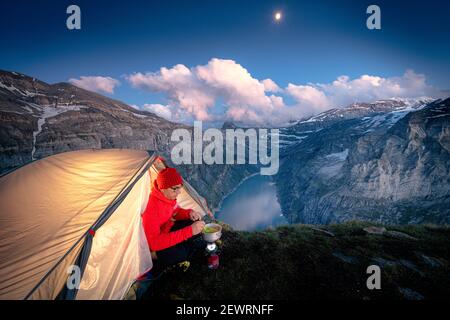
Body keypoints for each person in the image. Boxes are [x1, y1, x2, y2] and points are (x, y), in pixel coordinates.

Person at [142, 167, 206, 276]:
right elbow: (154, 243)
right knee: (180, 253)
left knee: (192, 225)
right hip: (154, 244)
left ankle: (184, 251)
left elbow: (175, 211)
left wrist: (189, 213)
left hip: (166, 229)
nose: (179, 192)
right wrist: (189, 231)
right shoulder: (151, 209)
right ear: (163, 188)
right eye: (175, 189)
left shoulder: (167, 197)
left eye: (179, 188)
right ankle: (154, 257)